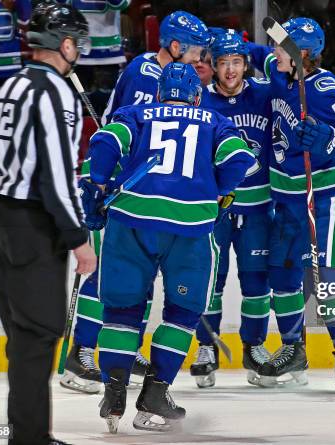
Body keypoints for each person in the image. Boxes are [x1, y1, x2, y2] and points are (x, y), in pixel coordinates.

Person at [82, 62, 254, 432]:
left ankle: (114, 393)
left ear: (160, 93)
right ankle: (156, 392)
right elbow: (241, 159)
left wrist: (98, 186)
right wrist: (220, 189)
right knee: (182, 313)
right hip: (189, 228)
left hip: (132, 221)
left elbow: (105, 143)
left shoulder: (136, 112)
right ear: (196, 95)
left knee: (121, 312)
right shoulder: (213, 120)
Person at [61, 9, 211, 393]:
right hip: (111, 182)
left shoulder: (175, 81)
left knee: (136, 277)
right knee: (105, 271)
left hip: (140, 190)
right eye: (195, 52)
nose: (200, 60)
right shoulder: (145, 72)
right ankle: (82, 354)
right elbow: (123, 131)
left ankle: (122, 351)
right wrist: (104, 184)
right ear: (175, 47)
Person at [0, 4, 96, 444]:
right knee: (38, 334)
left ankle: (28, 433)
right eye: (77, 42)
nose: (80, 51)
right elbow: (56, 174)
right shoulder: (55, 92)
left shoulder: (12, 83)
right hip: (33, 222)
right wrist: (78, 237)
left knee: (23, 334)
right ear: (65, 44)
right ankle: (29, 438)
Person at [247, 18, 335, 392]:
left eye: (281, 48)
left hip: (327, 195)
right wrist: (232, 41)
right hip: (290, 195)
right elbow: (259, 54)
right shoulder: (281, 71)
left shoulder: (325, 89)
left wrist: (327, 139)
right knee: (285, 274)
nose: (274, 53)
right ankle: (294, 348)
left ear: (303, 55)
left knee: (327, 278)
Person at [189, 31, 274, 388]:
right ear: (212, 65)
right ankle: (206, 347)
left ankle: (254, 347)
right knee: (211, 281)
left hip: (257, 208)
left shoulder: (265, 93)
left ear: (245, 64)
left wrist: (254, 45)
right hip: (217, 209)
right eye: (222, 62)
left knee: (257, 281)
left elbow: (289, 66)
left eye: (236, 62)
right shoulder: (200, 102)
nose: (229, 70)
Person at [65, 0, 131, 108]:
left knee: (108, 107)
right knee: (76, 107)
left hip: (108, 54)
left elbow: (121, 3)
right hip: (77, 51)